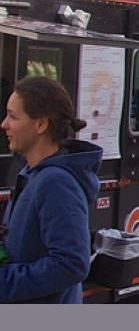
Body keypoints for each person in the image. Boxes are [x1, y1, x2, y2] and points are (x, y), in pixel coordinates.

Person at [0, 76, 102, 303]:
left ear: (41, 124)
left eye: (13, 116)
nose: (4, 124)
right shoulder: (31, 174)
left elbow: (71, 264)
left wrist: (4, 282)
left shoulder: (56, 182)